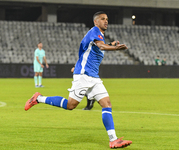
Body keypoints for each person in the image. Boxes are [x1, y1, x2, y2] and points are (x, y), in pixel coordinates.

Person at [25, 11, 132, 148]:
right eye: (102, 19)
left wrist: (110, 43)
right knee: (71, 105)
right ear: (96, 22)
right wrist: (115, 47)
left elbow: (89, 51)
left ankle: (113, 139)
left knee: (107, 104)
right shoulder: (94, 31)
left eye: (107, 19)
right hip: (84, 75)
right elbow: (100, 46)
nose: (106, 21)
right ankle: (38, 98)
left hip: (93, 77)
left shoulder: (98, 36)